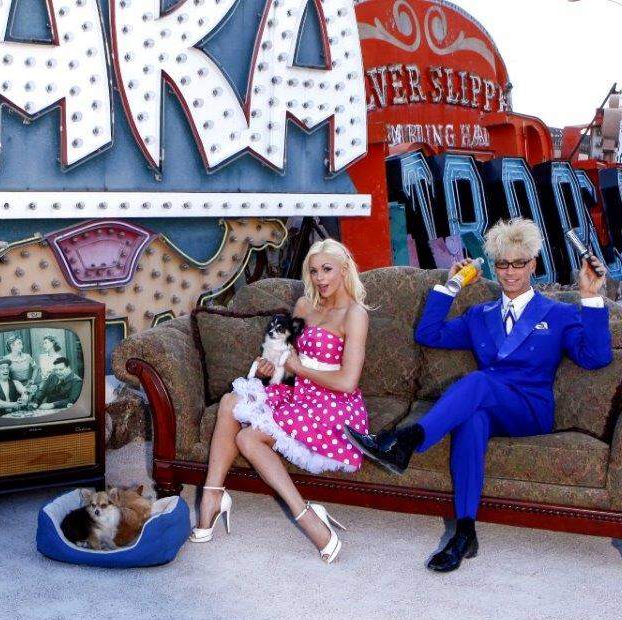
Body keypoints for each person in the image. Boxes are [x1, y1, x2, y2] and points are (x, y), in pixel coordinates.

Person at [345, 218, 612, 572]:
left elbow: (596, 357)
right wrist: (453, 284)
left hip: (530, 410)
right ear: (494, 267)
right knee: (472, 420)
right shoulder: (479, 315)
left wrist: (591, 297)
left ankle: (404, 442)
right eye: (502, 264)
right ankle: (464, 532)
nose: (510, 272)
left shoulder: (558, 313)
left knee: (478, 382)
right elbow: (429, 335)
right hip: (487, 405)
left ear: (533, 264)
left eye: (519, 263)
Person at [190, 239, 370, 564]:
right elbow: (289, 363)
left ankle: (307, 516)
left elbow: (347, 382)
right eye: (314, 271)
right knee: (230, 401)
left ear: (345, 269)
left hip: (334, 407)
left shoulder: (355, 314)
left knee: (247, 438)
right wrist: (271, 369)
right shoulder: (304, 306)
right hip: (300, 394)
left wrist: (299, 369)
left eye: (327, 269)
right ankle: (211, 498)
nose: (320, 278)